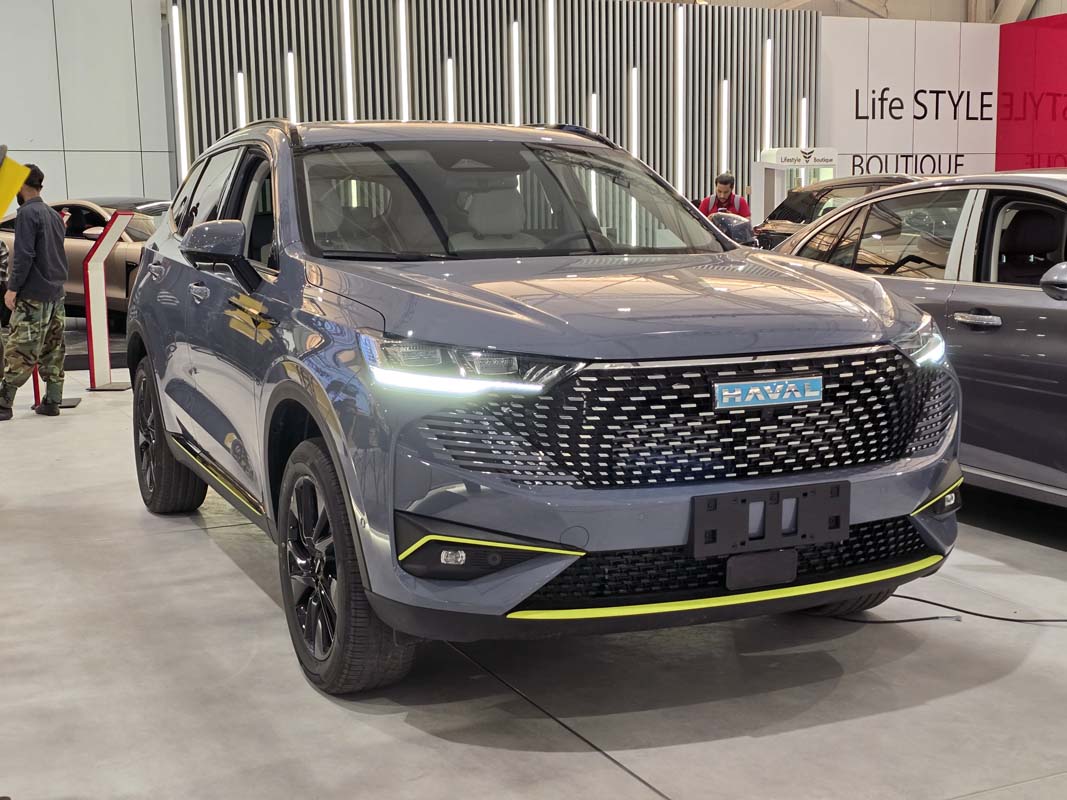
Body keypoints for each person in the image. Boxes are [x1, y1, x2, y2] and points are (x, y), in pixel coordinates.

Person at [0, 164, 68, 421]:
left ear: (21, 185)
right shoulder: (53, 215)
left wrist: (12, 289)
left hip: (33, 295)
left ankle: (3, 403)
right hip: (56, 294)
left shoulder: (27, 214)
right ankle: (52, 400)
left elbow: (24, 256)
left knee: (20, 348)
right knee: (53, 348)